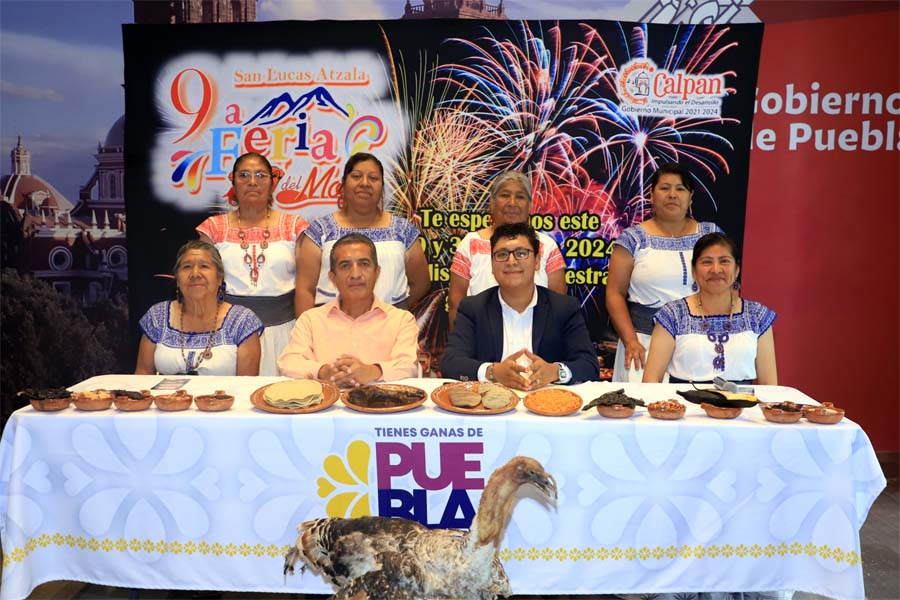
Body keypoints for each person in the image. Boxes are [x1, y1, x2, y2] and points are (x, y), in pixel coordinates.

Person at [441, 223, 598, 390]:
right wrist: (492, 372)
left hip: (547, 408)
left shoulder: (564, 308)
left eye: (521, 253)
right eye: (502, 255)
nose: (511, 261)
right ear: (492, 265)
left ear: (537, 261)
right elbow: (451, 363)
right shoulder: (473, 308)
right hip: (489, 409)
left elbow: (589, 366)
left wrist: (555, 372)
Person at [606, 163, 722, 383]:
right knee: (643, 411)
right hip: (643, 343)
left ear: (691, 196)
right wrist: (631, 341)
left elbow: (728, 289)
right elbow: (614, 294)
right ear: (651, 194)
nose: (672, 195)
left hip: (699, 342)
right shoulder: (632, 239)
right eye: (665, 188)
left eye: (680, 189)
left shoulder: (711, 235)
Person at [196, 152, 308, 376]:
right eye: (244, 175)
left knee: (283, 401)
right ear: (234, 182)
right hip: (227, 333)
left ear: (272, 182)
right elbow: (203, 289)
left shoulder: (295, 226)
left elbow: (306, 286)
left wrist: (305, 336)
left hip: (284, 332)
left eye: (260, 175)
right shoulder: (213, 228)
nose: (252, 181)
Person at [296, 152, 429, 313]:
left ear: (382, 188)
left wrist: (393, 310)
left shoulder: (403, 231)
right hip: (331, 330)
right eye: (357, 176)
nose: (365, 183)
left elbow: (421, 284)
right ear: (343, 186)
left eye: (373, 178)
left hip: (388, 330)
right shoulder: (320, 231)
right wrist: (309, 332)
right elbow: (305, 289)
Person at [278, 233, 418, 386]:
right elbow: (288, 362)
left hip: (380, 406)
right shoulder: (311, 320)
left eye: (364, 264)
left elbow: (408, 365)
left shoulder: (402, 320)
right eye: (345, 266)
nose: (355, 274)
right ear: (333, 277)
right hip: (324, 406)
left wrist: (373, 371)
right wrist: (323, 371)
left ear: (377, 272)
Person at [642, 232, 777, 384]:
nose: (716, 269)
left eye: (724, 261)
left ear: (737, 269)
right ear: (694, 271)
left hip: (742, 406)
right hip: (684, 405)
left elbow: (770, 386)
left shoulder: (758, 315)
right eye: (706, 262)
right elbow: (651, 380)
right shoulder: (672, 314)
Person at [448, 170, 565, 327]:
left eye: (520, 197)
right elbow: (456, 305)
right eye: (504, 195)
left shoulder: (546, 246)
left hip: (535, 341)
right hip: (481, 340)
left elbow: (558, 305)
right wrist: (462, 349)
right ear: (492, 203)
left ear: (530, 206)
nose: (512, 203)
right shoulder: (470, 244)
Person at [136, 240, 263, 376]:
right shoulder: (157, 316)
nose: (195, 274)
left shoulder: (242, 321)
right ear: (178, 280)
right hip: (166, 397)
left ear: (219, 278)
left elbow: (246, 386)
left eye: (204, 266)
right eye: (187, 267)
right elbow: (142, 375)